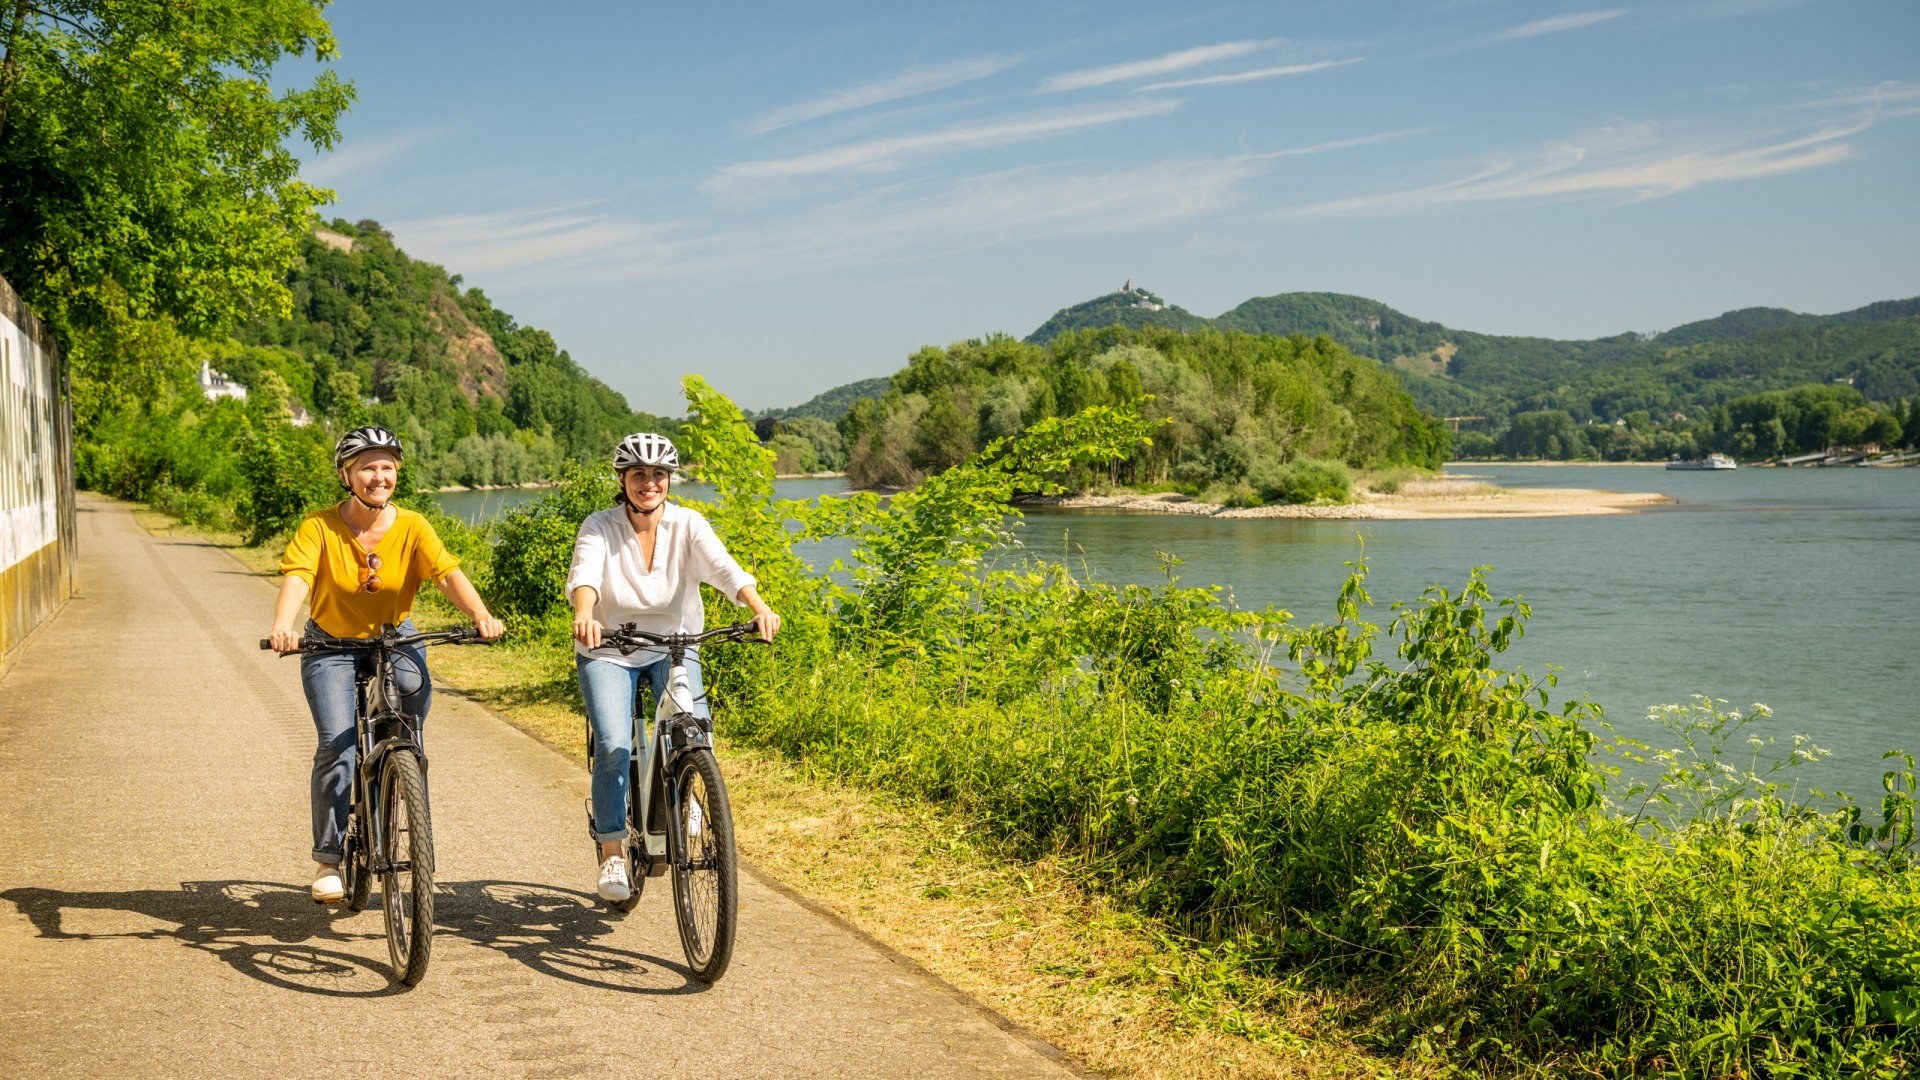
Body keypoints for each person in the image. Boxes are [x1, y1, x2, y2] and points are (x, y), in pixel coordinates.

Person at [267, 425, 505, 903]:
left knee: (411, 707)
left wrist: (481, 615)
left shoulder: (414, 526)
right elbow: (298, 577)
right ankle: (328, 860)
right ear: (346, 474)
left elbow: (446, 575)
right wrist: (283, 624)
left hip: (394, 637)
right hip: (329, 645)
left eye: (387, 467)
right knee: (337, 743)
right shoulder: (319, 526)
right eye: (368, 467)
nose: (379, 476)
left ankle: (403, 781)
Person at [567, 432, 780, 903]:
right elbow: (586, 574)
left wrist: (757, 606)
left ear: (669, 480)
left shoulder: (688, 525)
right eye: (639, 474)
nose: (649, 483)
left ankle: (687, 791)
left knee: (693, 727)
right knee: (614, 744)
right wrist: (585, 614)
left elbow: (725, 569)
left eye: (658, 475)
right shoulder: (599, 526)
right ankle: (612, 851)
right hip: (608, 648)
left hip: (674, 645)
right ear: (622, 480)